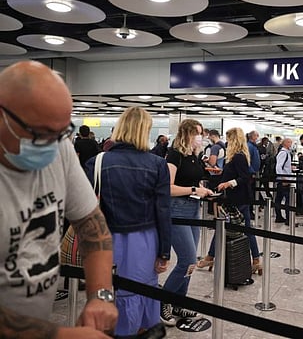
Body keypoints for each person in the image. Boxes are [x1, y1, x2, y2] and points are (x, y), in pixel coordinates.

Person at [0, 60, 118, 338]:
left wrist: (101, 295)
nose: (53, 145)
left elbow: (93, 225)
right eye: (41, 133)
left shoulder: (58, 147)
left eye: (63, 132)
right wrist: (57, 335)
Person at [85, 107, 171, 336]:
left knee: (113, 293)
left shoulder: (97, 162)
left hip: (106, 240)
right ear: (145, 131)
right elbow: (163, 210)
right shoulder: (157, 164)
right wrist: (164, 252)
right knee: (143, 291)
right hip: (145, 240)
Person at [161, 119, 213, 326]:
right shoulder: (175, 155)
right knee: (187, 259)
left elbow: (193, 180)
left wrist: (201, 188)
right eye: (197, 133)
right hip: (177, 209)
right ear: (187, 134)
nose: (200, 136)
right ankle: (163, 301)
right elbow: (168, 187)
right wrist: (194, 190)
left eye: (201, 133)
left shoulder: (195, 156)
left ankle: (178, 303)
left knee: (191, 262)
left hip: (193, 209)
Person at [198, 127, 262, 275]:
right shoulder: (238, 156)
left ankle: (210, 256)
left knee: (224, 227)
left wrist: (228, 183)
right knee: (244, 228)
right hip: (240, 198)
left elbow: (244, 177)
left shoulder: (238, 156)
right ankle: (256, 259)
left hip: (237, 198)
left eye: (228, 139)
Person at [274, 138, 293, 224]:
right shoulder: (283, 153)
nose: (290, 144)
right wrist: (283, 178)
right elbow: (278, 167)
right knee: (287, 200)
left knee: (279, 199)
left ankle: (279, 217)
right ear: (285, 143)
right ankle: (288, 219)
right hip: (284, 180)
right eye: (289, 142)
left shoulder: (286, 153)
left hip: (283, 179)